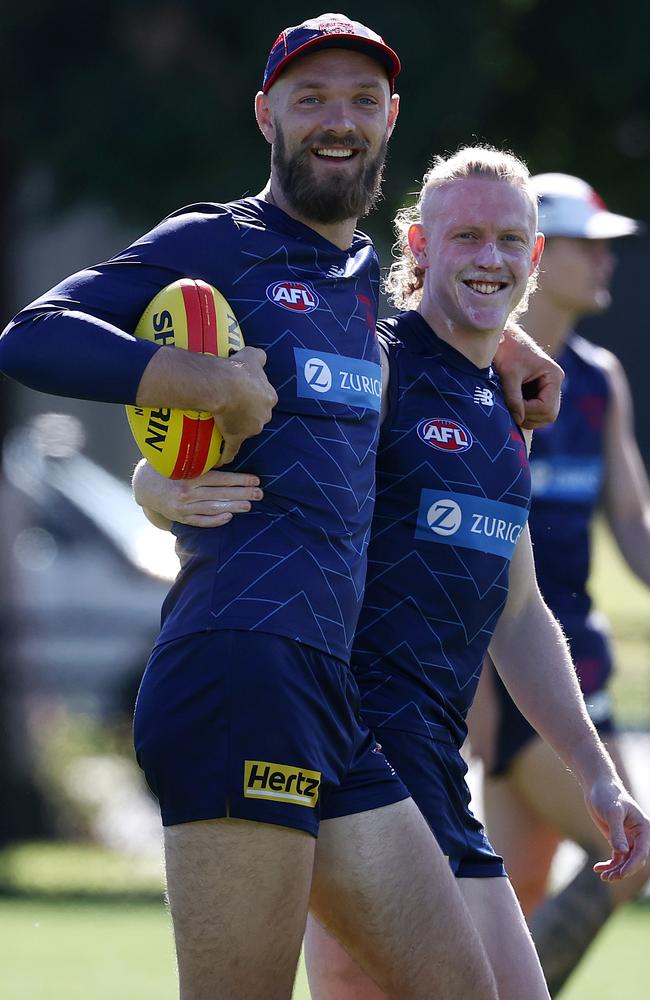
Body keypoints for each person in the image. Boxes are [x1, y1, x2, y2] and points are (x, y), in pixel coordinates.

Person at [0, 15, 569, 1000]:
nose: (335, 119)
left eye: (359, 100)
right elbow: (33, 336)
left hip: (331, 706)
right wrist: (188, 379)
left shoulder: (357, 285)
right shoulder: (221, 240)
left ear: (389, 120)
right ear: (267, 115)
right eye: (310, 99)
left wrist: (502, 339)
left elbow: (416, 326)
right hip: (237, 667)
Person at [133, 145, 650, 1000]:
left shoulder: (509, 410)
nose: (489, 257)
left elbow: (518, 612)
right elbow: (223, 442)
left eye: (509, 239)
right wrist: (160, 484)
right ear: (416, 245)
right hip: (350, 759)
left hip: (431, 772)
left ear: (535, 257)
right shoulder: (373, 368)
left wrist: (596, 772)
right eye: (466, 236)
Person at [468, 172, 650, 996]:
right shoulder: (477, 375)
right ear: (542, 253)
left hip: (588, 676)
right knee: (636, 851)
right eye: (589, 246)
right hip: (510, 683)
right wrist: (473, 692)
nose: (606, 263)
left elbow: (636, 529)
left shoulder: (600, 379)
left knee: (514, 897)